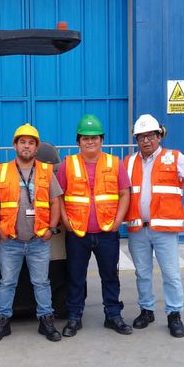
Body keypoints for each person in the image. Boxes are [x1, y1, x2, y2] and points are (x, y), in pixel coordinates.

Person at [125, 113, 184, 338]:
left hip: (164, 230)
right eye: (141, 137)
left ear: (159, 136)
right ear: (136, 139)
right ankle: (146, 310)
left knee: (171, 274)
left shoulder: (174, 157)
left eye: (150, 135)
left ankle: (174, 315)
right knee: (142, 273)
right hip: (137, 229)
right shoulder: (129, 162)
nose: (146, 141)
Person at [0, 124, 63, 343]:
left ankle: (46, 320)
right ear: (15, 145)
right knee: (7, 282)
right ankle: (2, 321)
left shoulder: (47, 171)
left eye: (31, 142)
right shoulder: (2, 171)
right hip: (10, 240)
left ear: (36, 147)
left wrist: (52, 228)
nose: (26, 146)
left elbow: (55, 202)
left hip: (39, 239)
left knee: (41, 282)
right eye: (22, 142)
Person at [56, 114, 131, 337]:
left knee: (110, 276)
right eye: (85, 138)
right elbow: (58, 196)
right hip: (77, 232)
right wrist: (65, 221)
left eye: (95, 137)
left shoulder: (114, 163)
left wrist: (118, 220)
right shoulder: (67, 164)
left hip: (107, 231)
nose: (90, 142)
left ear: (102, 140)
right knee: (76, 277)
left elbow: (124, 193)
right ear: (78, 141)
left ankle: (113, 315)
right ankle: (74, 316)